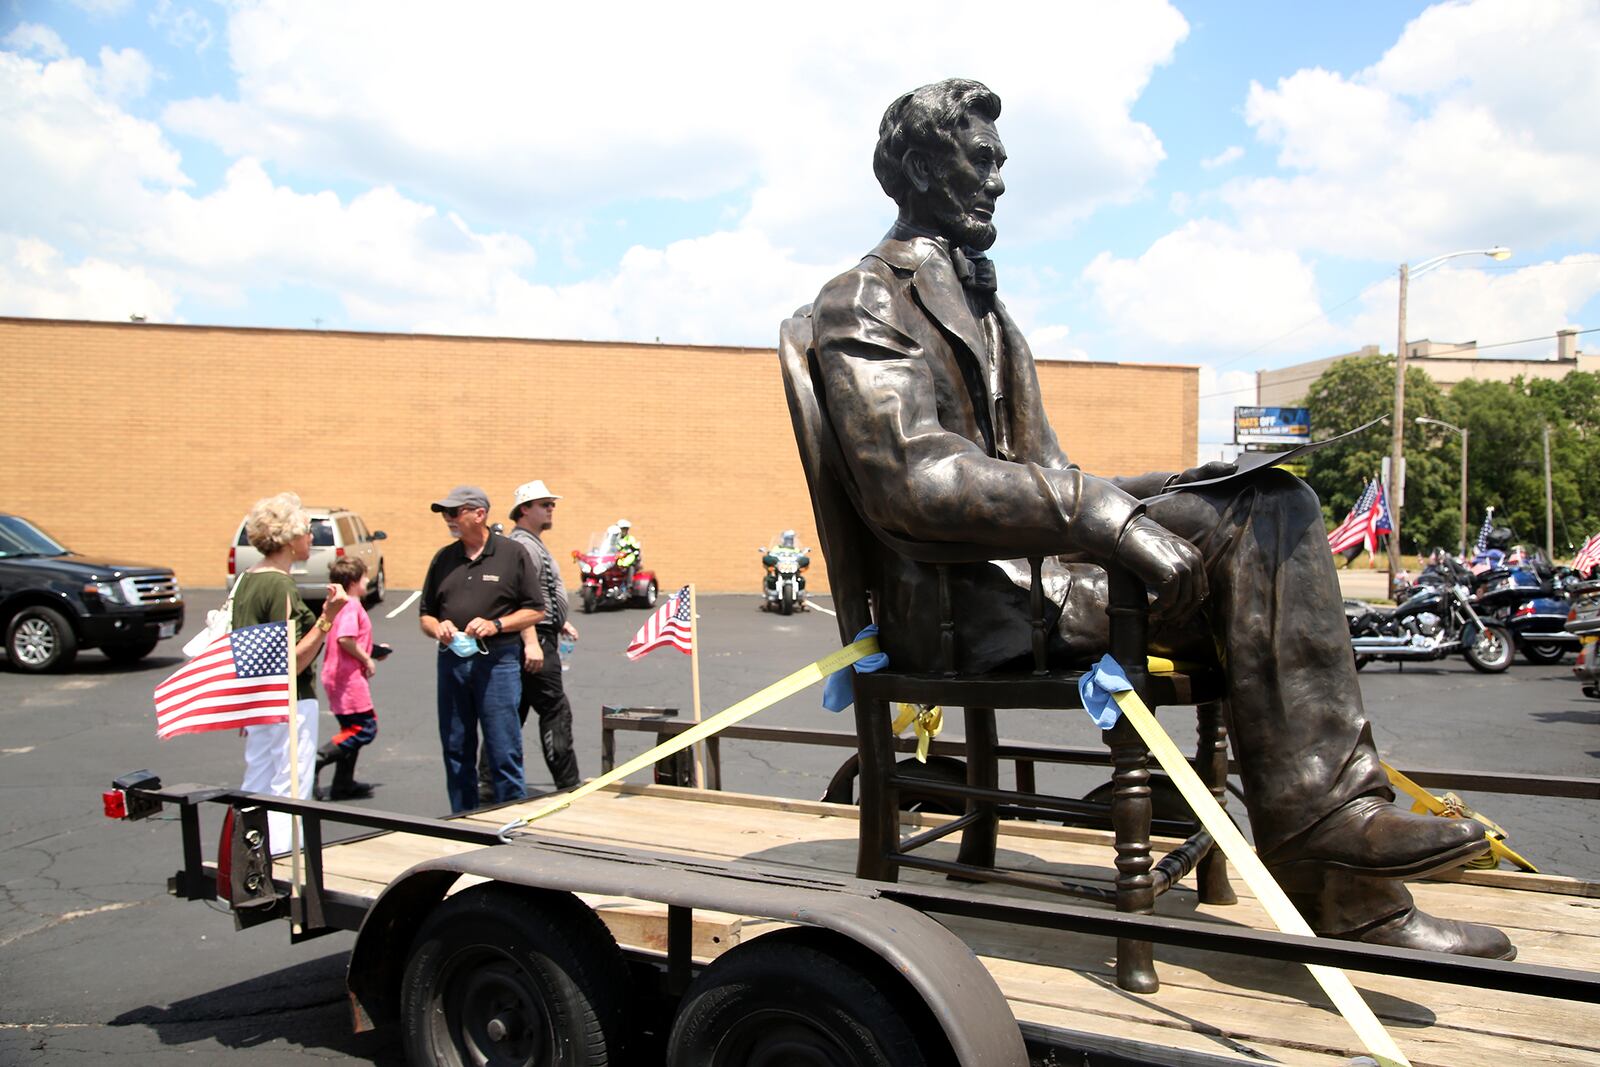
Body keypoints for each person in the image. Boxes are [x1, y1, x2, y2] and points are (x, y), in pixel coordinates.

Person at [802, 78, 1509, 958]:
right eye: (978, 159)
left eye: (1000, 162)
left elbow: (1049, 473)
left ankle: (1346, 865)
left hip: (1031, 578)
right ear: (915, 165)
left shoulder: (986, 307)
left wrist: (1180, 482)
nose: (998, 180)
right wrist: (1101, 509)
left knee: (1267, 499)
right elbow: (917, 482)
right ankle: (1338, 843)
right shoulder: (863, 300)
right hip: (965, 606)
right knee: (1258, 525)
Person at [231, 492, 347, 851]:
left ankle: (250, 860)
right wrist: (327, 618)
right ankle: (283, 866)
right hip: (289, 702)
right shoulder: (280, 584)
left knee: (257, 783)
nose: (311, 538)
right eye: (306, 531)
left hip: (258, 702)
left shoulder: (247, 580)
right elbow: (292, 662)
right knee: (290, 788)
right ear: (290, 537)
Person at [418, 485, 545, 812]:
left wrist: (496, 625)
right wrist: (438, 628)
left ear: (479, 513)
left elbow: (536, 610)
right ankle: (463, 820)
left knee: (504, 750)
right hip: (452, 663)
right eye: (445, 513)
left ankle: (509, 825)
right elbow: (426, 615)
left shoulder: (511, 554)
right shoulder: (443, 559)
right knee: (456, 748)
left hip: (497, 664)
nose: (448, 519)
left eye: (454, 512)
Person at [504, 479, 582, 791]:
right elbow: (518, 598)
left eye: (552, 504)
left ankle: (490, 782)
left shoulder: (530, 542)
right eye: (544, 505)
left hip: (541, 633)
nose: (551, 509)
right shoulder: (523, 545)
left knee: (515, 709)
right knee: (555, 709)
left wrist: (558, 621)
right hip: (534, 639)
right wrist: (533, 641)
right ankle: (569, 784)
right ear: (525, 509)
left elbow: (538, 594)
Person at [315, 556, 378, 801]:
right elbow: (345, 639)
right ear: (353, 582)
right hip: (347, 677)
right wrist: (366, 659)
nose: (367, 581)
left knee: (349, 729)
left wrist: (374, 650)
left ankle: (343, 783)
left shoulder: (336, 604)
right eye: (364, 577)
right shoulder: (351, 605)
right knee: (365, 728)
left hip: (335, 674)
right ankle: (317, 760)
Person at [615, 518, 642, 585]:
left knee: (630, 567)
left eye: (625, 529)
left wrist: (633, 551)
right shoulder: (614, 538)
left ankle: (629, 586)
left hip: (627, 560)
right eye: (622, 529)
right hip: (616, 559)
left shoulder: (630, 538)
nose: (624, 531)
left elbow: (636, 548)